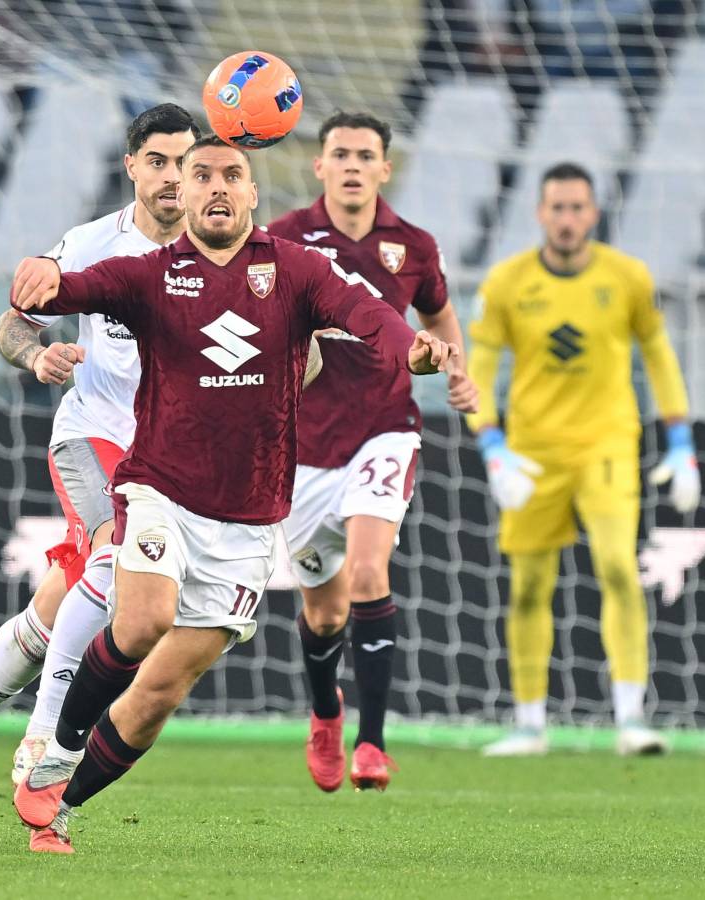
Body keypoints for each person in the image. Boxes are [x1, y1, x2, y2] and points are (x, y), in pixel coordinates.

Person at [10, 135, 457, 853]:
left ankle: (61, 807)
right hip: (159, 489)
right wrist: (40, 271)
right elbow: (66, 288)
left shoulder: (298, 270)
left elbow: (366, 313)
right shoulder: (149, 275)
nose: (218, 187)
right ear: (181, 195)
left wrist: (412, 346)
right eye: (203, 176)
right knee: (143, 620)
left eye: (233, 175)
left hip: (249, 520)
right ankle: (55, 753)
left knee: (160, 695)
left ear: (254, 195)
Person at [0, 105, 198, 823]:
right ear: (131, 166)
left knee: (61, 603)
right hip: (94, 437)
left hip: (171, 459)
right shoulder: (93, 244)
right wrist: (37, 355)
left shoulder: (220, 252)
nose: (172, 178)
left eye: (185, 163)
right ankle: (41, 740)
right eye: (157, 161)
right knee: (109, 556)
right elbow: (13, 324)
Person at [265, 111, 477, 792]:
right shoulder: (284, 240)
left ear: (386, 168)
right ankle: (326, 711)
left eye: (365, 155)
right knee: (323, 612)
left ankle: (373, 742)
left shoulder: (412, 246)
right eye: (340, 154)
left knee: (366, 573)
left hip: (386, 428)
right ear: (319, 165)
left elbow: (438, 314)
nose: (352, 165)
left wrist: (458, 368)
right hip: (303, 448)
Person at [467, 161, 698, 757]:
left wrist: (680, 442)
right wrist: (493, 446)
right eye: (557, 208)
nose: (568, 219)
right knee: (528, 587)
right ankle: (528, 725)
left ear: (592, 213)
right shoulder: (507, 283)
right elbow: (479, 370)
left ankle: (630, 720)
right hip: (533, 451)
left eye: (577, 208)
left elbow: (661, 357)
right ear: (540, 213)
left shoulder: (627, 277)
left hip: (606, 445)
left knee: (620, 570)